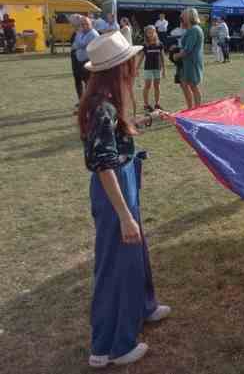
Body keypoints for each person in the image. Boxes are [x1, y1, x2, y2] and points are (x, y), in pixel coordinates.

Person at [78, 31, 170, 368]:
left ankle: (144, 307)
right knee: (116, 265)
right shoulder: (101, 106)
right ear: (118, 67)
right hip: (113, 189)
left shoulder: (106, 99)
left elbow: (115, 137)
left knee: (135, 253)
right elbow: (103, 164)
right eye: (130, 61)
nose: (134, 65)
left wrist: (145, 120)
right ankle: (111, 347)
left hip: (123, 182)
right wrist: (125, 216)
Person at [173, 8, 204, 109]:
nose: (182, 16)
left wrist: (176, 55)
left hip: (191, 62)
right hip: (187, 62)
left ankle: (197, 109)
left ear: (190, 16)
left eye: (184, 15)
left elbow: (188, 49)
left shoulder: (194, 29)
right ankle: (190, 108)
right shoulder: (191, 29)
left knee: (193, 86)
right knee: (186, 85)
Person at [72, 16, 100, 109]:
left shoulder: (93, 34)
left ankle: (89, 104)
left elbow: (80, 44)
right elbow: (76, 43)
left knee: (89, 83)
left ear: (91, 24)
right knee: (78, 81)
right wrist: (78, 43)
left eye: (86, 24)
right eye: (82, 24)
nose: (84, 26)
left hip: (88, 62)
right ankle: (82, 101)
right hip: (79, 61)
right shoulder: (81, 32)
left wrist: (78, 42)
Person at [141, 25, 165, 112]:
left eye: (152, 32)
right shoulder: (145, 45)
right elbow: (141, 57)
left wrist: (164, 69)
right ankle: (146, 104)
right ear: (146, 34)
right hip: (148, 68)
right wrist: (136, 69)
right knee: (147, 85)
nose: (151, 34)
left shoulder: (160, 44)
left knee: (157, 86)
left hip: (157, 68)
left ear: (155, 33)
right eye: (149, 32)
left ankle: (157, 104)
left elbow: (162, 57)